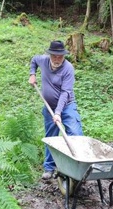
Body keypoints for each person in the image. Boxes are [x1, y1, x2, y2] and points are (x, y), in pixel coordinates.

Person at [28, 40, 84, 180]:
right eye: (54, 56)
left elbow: (65, 93)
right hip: (49, 107)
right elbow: (34, 60)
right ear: (50, 55)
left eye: (60, 56)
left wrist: (58, 113)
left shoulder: (68, 68)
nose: (57, 59)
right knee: (51, 137)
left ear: (64, 55)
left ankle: (79, 165)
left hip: (67, 106)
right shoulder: (43, 60)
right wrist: (32, 74)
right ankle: (49, 167)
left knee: (76, 133)